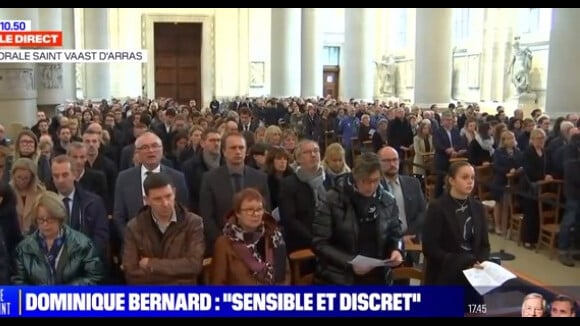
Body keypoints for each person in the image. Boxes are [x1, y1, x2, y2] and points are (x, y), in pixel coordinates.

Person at [313, 152, 403, 285]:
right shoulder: (332, 199)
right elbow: (319, 243)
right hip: (340, 278)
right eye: (365, 181)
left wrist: (397, 249)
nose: (371, 186)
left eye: (376, 180)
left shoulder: (387, 200)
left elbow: (396, 234)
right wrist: (349, 262)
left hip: (378, 278)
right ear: (355, 177)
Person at [422, 161, 490, 310]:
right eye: (465, 177)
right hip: (445, 276)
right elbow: (430, 247)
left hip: (473, 277)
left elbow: (484, 244)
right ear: (452, 180)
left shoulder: (478, 207)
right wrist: (460, 262)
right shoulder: (437, 207)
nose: (470, 181)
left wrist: (481, 261)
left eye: (472, 177)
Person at [122, 172, 205, 285]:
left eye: (168, 196)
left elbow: (194, 265)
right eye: (157, 199)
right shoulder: (135, 227)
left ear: (174, 193)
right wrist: (177, 273)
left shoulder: (193, 222)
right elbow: (131, 272)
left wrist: (150, 264)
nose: (165, 203)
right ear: (147, 200)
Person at [12, 191, 104, 285]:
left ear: (60, 218)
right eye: (40, 219)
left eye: (50, 219)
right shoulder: (23, 249)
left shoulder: (83, 245)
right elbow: (18, 281)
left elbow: (94, 277)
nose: (45, 224)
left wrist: (64, 293)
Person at [210, 188, 290, 285]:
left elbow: (285, 274)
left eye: (259, 209)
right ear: (238, 213)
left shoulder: (274, 237)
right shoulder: (223, 244)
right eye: (249, 210)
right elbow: (218, 284)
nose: (255, 214)